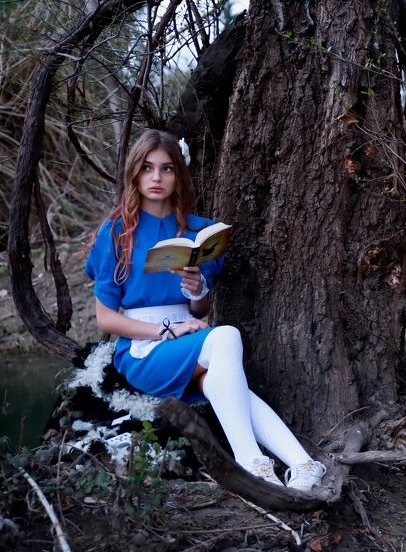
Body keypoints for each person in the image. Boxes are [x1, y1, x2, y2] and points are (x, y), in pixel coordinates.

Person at [85, 129, 326, 490]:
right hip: (143, 350)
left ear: (178, 174)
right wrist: (166, 331)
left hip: (191, 336)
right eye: (147, 168)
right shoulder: (116, 233)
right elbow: (105, 318)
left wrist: (196, 290)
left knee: (220, 382)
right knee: (226, 335)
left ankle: (305, 465)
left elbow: (200, 307)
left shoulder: (202, 230)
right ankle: (251, 462)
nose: (156, 178)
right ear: (135, 172)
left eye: (166, 169)